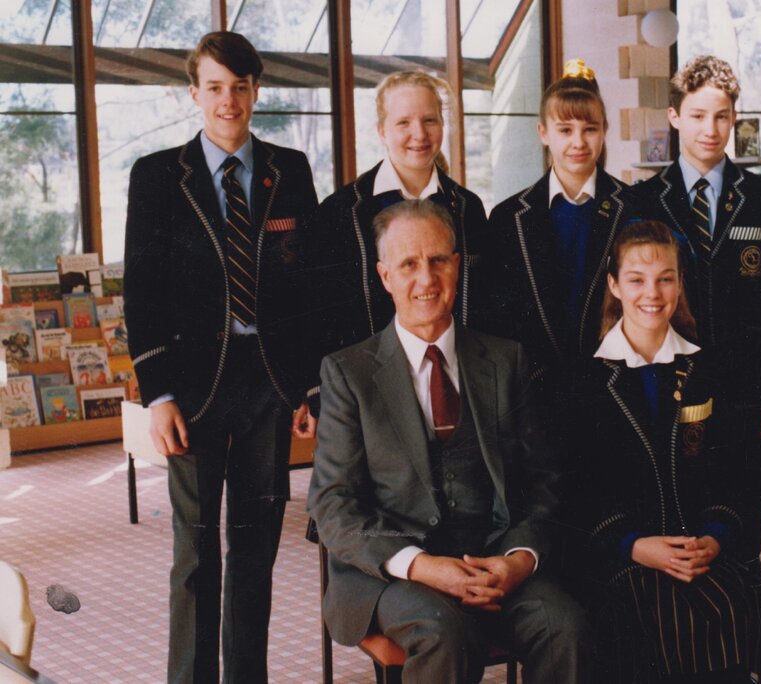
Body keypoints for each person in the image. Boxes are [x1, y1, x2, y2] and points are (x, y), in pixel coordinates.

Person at [307, 200, 592, 684]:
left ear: (457, 265)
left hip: (493, 558)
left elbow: (543, 481)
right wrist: (422, 566)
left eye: (438, 260)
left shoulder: (505, 360)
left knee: (565, 624)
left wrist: (518, 560)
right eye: (409, 264)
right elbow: (332, 504)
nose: (427, 279)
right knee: (446, 632)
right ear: (384, 277)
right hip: (395, 574)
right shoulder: (348, 373)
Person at [123, 31, 319, 683]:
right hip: (192, 388)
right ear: (194, 93)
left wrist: (310, 388)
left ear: (256, 90)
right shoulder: (156, 177)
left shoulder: (290, 172)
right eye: (215, 87)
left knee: (257, 547)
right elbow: (142, 291)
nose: (228, 100)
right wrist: (158, 393)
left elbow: (309, 284)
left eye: (240, 86)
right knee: (196, 549)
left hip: (268, 383)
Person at [558, 221, 761, 682]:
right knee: (653, 619)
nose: (653, 292)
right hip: (622, 559)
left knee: (738, 605)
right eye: (637, 280)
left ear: (681, 284)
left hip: (699, 547)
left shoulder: (709, 371)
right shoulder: (581, 384)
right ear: (613, 285)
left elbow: (736, 475)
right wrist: (634, 546)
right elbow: (575, 495)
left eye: (666, 278)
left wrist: (716, 537)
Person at [634, 56, 761, 581]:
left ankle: (741, 625)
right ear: (675, 116)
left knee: (743, 508)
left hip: (748, 385)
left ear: (735, 120)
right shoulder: (641, 202)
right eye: (700, 115)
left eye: (723, 117)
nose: (711, 129)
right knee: (681, 502)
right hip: (670, 381)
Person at [308, 70, 487, 359]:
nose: (419, 134)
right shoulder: (340, 211)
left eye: (430, 120)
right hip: (368, 382)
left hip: (454, 371)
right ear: (382, 130)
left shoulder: (468, 207)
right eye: (404, 122)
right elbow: (324, 311)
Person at [478, 59, 637, 370]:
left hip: (617, 382)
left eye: (589, 129)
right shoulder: (508, 217)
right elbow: (496, 318)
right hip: (532, 386)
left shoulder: (634, 206)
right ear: (543, 132)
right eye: (565, 130)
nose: (578, 142)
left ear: (604, 131)